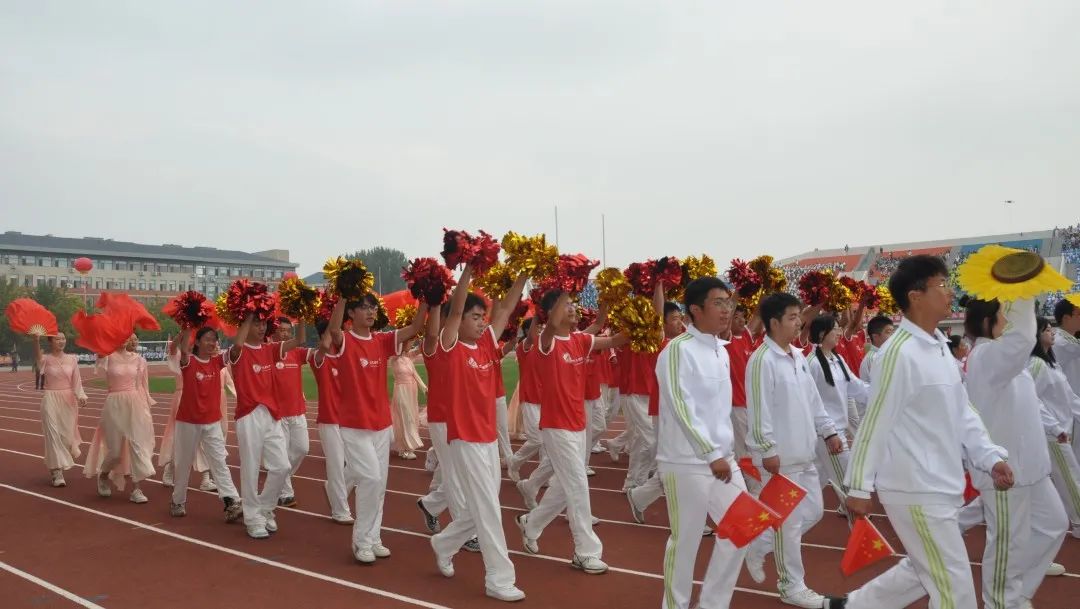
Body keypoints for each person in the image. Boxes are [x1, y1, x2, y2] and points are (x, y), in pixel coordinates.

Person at [825, 255, 1014, 609]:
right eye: (942, 284)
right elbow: (875, 422)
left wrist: (990, 457)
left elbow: (963, 412)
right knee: (954, 592)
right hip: (915, 488)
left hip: (940, 482)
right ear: (915, 296)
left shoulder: (939, 347)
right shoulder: (899, 354)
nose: (950, 291)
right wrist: (859, 486)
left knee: (923, 570)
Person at [429, 263, 527, 601]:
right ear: (457, 321)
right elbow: (455, 309)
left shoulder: (486, 342)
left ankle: (444, 543)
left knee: (482, 506)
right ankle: (499, 578)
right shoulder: (450, 345)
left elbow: (507, 308)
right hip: (465, 438)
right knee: (488, 508)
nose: (482, 321)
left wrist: (525, 271)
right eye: (475, 316)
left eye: (483, 316)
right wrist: (469, 268)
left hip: (487, 438)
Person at [963, 297, 1066, 609]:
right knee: (1008, 542)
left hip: (1030, 468)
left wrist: (1053, 429)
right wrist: (1022, 293)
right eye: (1003, 315)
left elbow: (1029, 404)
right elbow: (1022, 339)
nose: (1008, 321)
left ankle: (1017, 594)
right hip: (1005, 471)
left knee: (1053, 525)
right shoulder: (986, 355)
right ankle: (1001, 602)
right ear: (987, 321)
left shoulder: (1001, 357)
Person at [515, 289, 626, 574]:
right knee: (577, 485)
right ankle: (585, 552)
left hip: (578, 425)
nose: (573, 309)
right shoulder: (546, 342)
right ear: (552, 313)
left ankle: (532, 523)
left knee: (565, 487)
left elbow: (614, 339)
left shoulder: (581, 340)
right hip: (556, 427)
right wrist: (568, 285)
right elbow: (551, 325)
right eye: (567, 306)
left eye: (574, 305)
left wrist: (639, 321)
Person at [744, 293, 840, 609]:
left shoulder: (798, 356)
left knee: (813, 512)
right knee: (789, 524)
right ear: (774, 323)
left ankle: (758, 545)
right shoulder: (762, 361)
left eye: (799, 316)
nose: (800, 322)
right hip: (781, 459)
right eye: (792, 317)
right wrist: (767, 449)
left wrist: (828, 430)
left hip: (804, 452)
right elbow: (759, 410)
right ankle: (791, 586)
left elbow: (814, 401)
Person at [655, 277, 746, 609]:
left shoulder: (721, 350)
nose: (726, 309)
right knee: (686, 542)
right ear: (695, 309)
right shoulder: (677, 350)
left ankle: (712, 603)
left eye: (728, 302)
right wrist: (710, 453)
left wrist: (725, 452)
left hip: (723, 459)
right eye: (718, 303)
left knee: (742, 528)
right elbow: (681, 406)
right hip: (686, 462)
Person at [325, 293, 426, 563]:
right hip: (354, 425)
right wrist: (344, 295)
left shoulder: (381, 341)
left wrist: (427, 298)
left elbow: (415, 328)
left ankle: (373, 537)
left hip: (381, 424)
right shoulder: (345, 340)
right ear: (352, 313)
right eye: (364, 308)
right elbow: (333, 330)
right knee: (369, 479)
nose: (370, 312)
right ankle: (361, 541)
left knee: (379, 484)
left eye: (372, 308)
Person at [229, 313, 302, 539]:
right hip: (248, 414)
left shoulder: (271, 349)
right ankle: (252, 518)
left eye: (263, 324)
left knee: (282, 466)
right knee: (250, 468)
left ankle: (265, 508)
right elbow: (237, 344)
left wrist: (302, 313)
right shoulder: (238, 352)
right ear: (246, 325)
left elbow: (299, 340)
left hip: (271, 414)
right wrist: (248, 314)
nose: (262, 328)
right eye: (256, 324)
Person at [168, 326, 244, 523]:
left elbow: (237, 348)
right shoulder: (189, 361)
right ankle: (178, 501)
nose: (212, 343)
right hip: (188, 421)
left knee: (219, 462)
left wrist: (245, 321)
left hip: (212, 422)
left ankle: (232, 502)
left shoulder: (217, 362)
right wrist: (188, 325)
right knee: (183, 463)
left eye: (214, 339)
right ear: (197, 342)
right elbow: (184, 349)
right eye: (207, 339)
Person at [84, 334, 157, 504]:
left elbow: (142, 386)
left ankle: (136, 489)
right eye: (121, 335)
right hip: (114, 404)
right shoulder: (107, 357)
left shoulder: (139, 360)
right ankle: (103, 475)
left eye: (127, 336)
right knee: (115, 452)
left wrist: (146, 407)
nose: (125, 339)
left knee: (136, 446)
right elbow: (99, 349)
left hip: (135, 404)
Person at [806, 315, 868, 512]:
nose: (839, 332)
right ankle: (857, 523)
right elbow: (809, 401)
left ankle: (784, 519)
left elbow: (856, 387)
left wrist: (883, 393)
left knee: (811, 486)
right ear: (822, 334)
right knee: (848, 487)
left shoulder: (837, 359)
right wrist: (828, 431)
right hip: (828, 435)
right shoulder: (812, 363)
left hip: (835, 433)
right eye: (835, 329)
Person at [1030, 316, 1080, 540]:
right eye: (1047, 330)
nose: (1052, 333)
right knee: (1070, 477)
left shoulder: (1052, 363)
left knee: (1037, 483)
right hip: (1052, 434)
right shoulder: (1036, 364)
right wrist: (1054, 426)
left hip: (1061, 430)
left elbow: (1069, 397)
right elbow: (1032, 400)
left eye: (1051, 329)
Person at [309, 317, 354, 525]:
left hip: (350, 418)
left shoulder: (347, 354)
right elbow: (326, 345)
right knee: (336, 465)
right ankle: (340, 510)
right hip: (329, 418)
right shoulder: (319, 357)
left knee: (359, 465)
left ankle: (334, 490)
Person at [160, 338, 219, 493]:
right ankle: (170, 468)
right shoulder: (180, 357)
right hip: (183, 399)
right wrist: (183, 332)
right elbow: (172, 349)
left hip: (202, 401)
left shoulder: (204, 358)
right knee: (181, 440)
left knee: (204, 440)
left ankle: (205, 478)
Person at [31, 332, 87, 487]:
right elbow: (38, 358)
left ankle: (57, 466)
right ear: (51, 341)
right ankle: (57, 472)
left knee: (67, 438)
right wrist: (36, 340)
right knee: (53, 436)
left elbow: (77, 380)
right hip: (50, 399)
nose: (61, 341)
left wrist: (81, 395)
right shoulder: (46, 359)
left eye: (63, 338)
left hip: (68, 401)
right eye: (57, 339)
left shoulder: (72, 359)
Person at [272, 317, 309, 508]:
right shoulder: (268, 352)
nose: (285, 333)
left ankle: (280, 477)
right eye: (281, 330)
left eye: (288, 330)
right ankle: (286, 493)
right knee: (283, 453)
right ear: (273, 332)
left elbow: (319, 352)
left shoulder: (297, 352)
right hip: (277, 415)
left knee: (302, 449)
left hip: (297, 411)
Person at [390, 341, 426, 460]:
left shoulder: (408, 358)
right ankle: (407, 448)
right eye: (408, 342)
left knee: (412, 418)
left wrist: (424, 388)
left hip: (412, 391)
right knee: (406, 418)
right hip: (401, 390)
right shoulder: (394, 359)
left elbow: (415, 374)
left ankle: (404, 449)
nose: (410, 344)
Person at [857, 315, 895, 385]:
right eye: (889, 332)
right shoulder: (874, 358)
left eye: (893, 332)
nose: (893, 336)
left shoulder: (885, 354)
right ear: (875, 336)